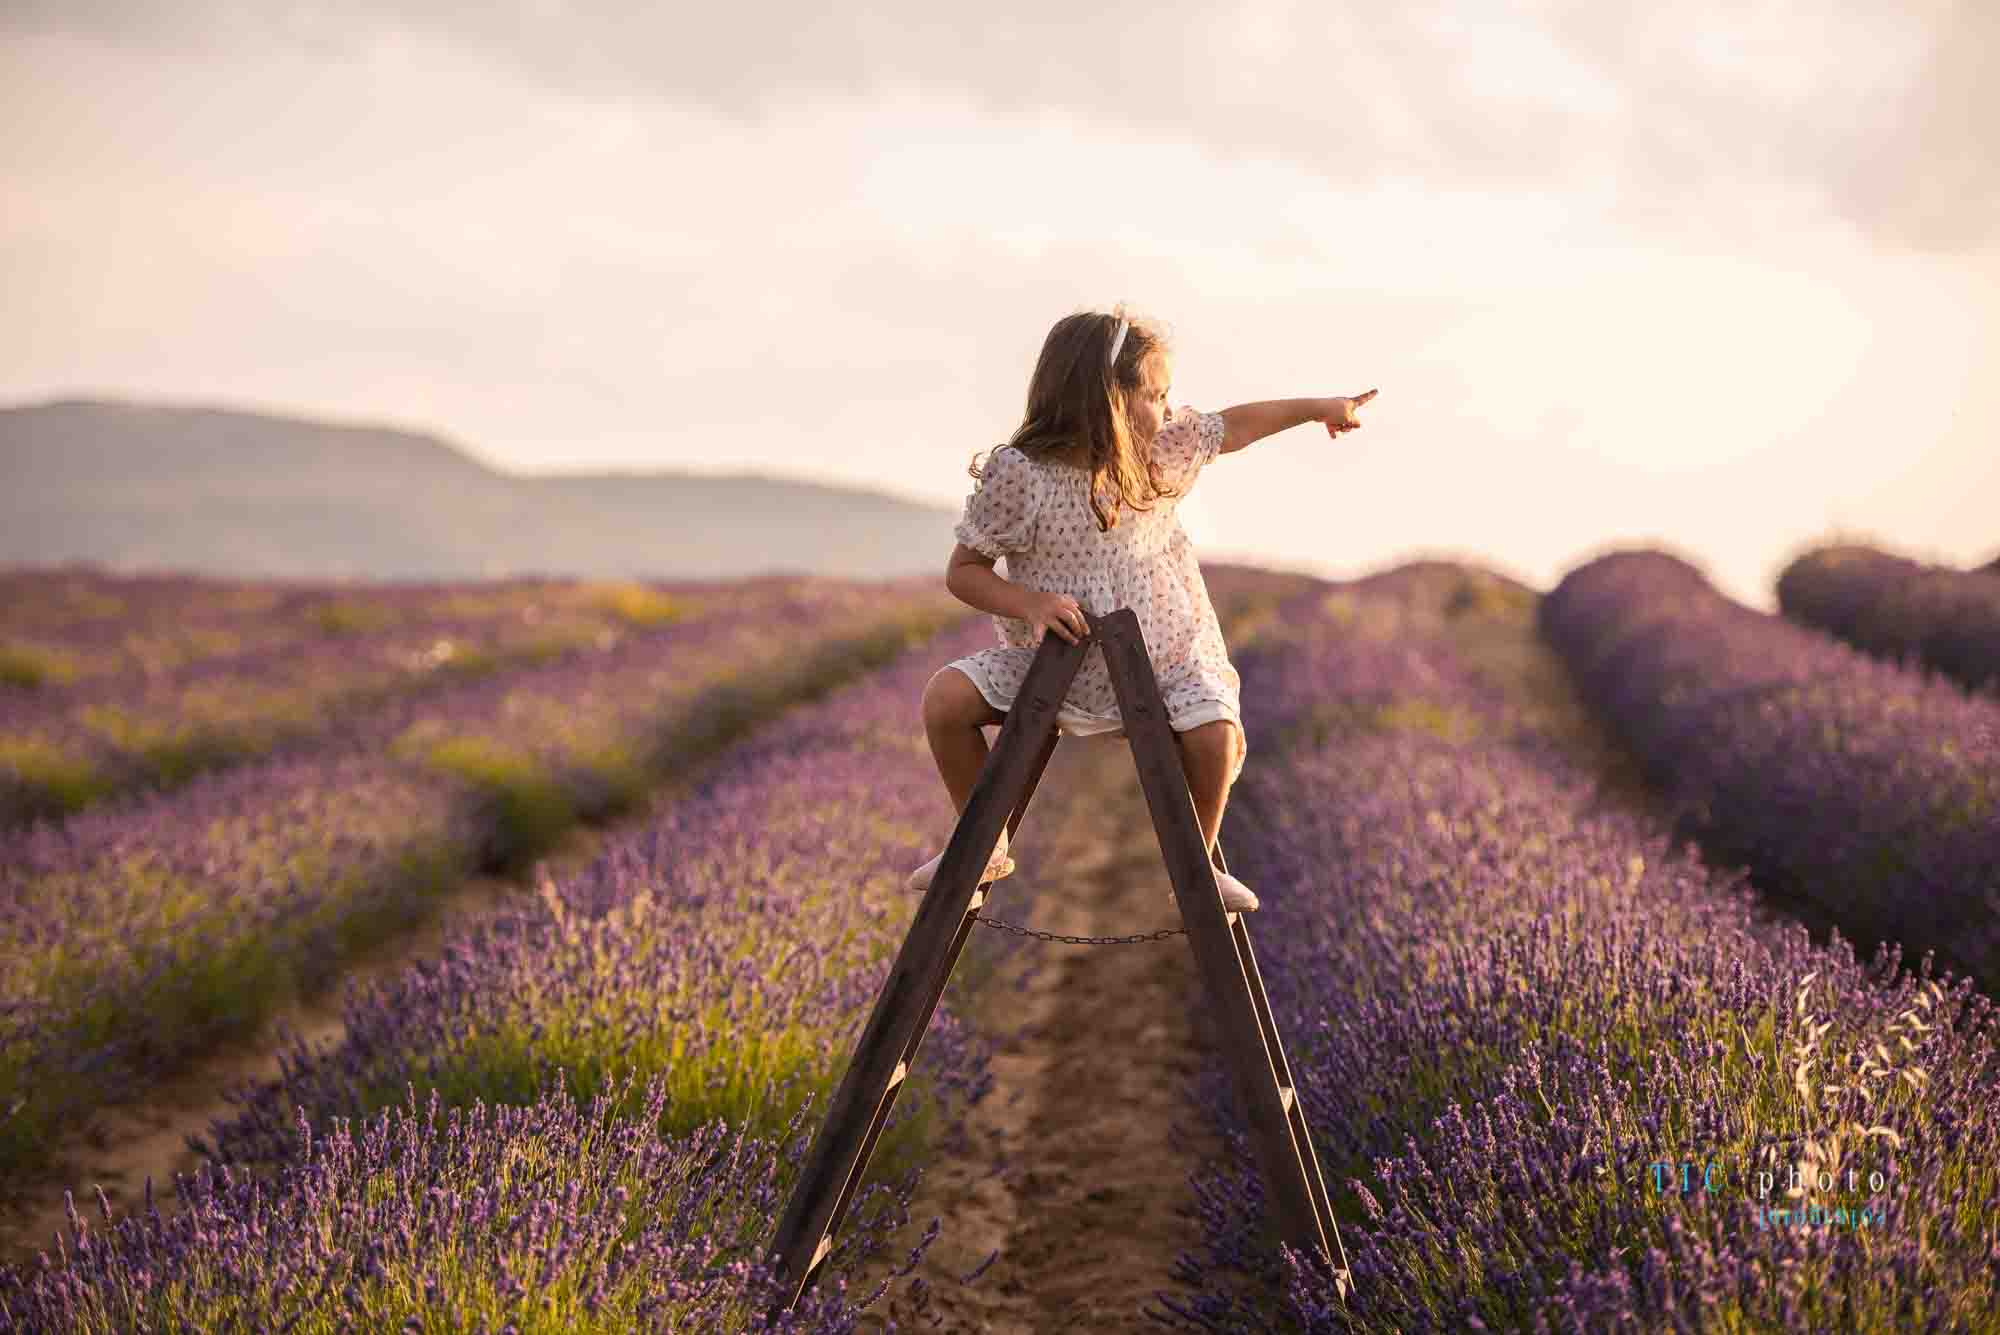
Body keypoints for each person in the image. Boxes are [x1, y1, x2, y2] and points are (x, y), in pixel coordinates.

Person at [908, 303, 1375, 911]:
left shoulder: (1159, 454)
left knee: (1217, 736)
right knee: (945, 701)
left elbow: (1236, 425)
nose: (1169, 408)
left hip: (1162, 661)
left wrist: (1318, 409)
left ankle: (1197, 868)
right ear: (1107, 399)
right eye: (1156, 394)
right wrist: (1031, 603)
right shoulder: (1021, 475)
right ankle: (981, 846)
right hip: (1053, 666)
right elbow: (963, 572)